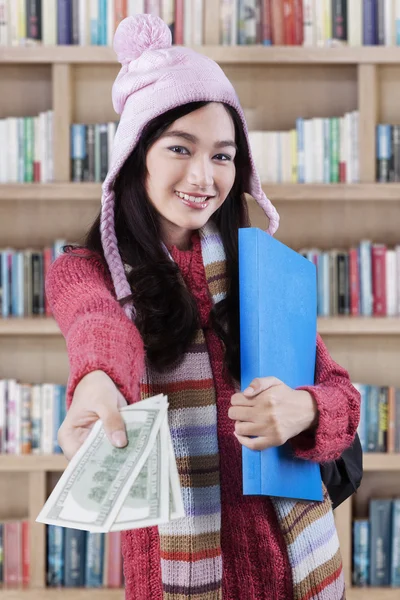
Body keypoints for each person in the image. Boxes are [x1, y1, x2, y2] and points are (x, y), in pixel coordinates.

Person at [46, 14, 360, 600]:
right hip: (182, 583)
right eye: (179, 149)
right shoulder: (88, 271)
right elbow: (97, 326)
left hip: (308, 572)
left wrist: (304, 410)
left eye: (223, 155)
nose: (203, 176)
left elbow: (342, 396)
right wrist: (97, 382)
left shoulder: (263, 267)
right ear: (136, 156)